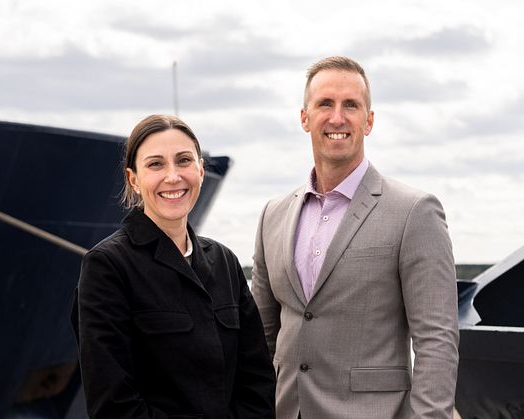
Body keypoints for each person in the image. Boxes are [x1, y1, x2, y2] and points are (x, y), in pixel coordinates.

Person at [251, 56, 459, 419]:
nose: (337, 118)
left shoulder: (414, 212)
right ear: (304, 118)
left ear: (369, 120)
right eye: (324, 104)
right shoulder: (274, 215)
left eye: (351, 105)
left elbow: (436, 342)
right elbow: (261, 338)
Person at [72, 115, 276, 419]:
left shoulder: (224, 262)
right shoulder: (107, 267)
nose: (172, 177)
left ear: (201, 171)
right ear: (134, 180)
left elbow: (257, 383)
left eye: (183, 161)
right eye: (155, 164)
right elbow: (113, 403)